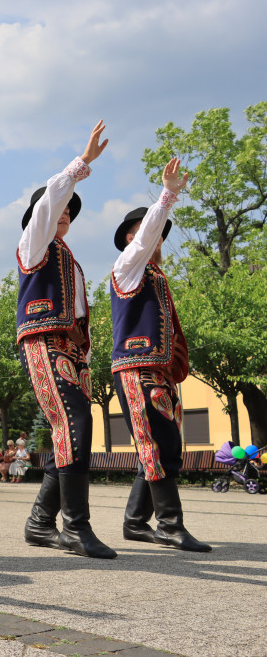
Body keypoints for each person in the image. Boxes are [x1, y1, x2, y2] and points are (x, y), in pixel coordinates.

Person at [16, 122, 116, 559]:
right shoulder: (33, 245)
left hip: (72, 351)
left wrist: (86, 350)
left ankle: (41, 523)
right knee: (75, 425)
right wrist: (81, 164)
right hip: (44, 343)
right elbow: (47, 206)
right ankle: (75, 527)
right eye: (58, 208)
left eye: (70, 212)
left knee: (72, 433)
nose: (64, 214)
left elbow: (79, 314)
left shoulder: (69, 260)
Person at [111, 158, 211, 553]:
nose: (154, 238)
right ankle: (169, 525)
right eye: (144, 233)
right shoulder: (127, 267)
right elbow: (143, 238)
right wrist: (167, 195)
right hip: (137, 370)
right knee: (156, 445)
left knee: (162, 445)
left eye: (156, 235)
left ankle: (136, 522)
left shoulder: (155, 277)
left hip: (157, 373)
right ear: (130, 240)